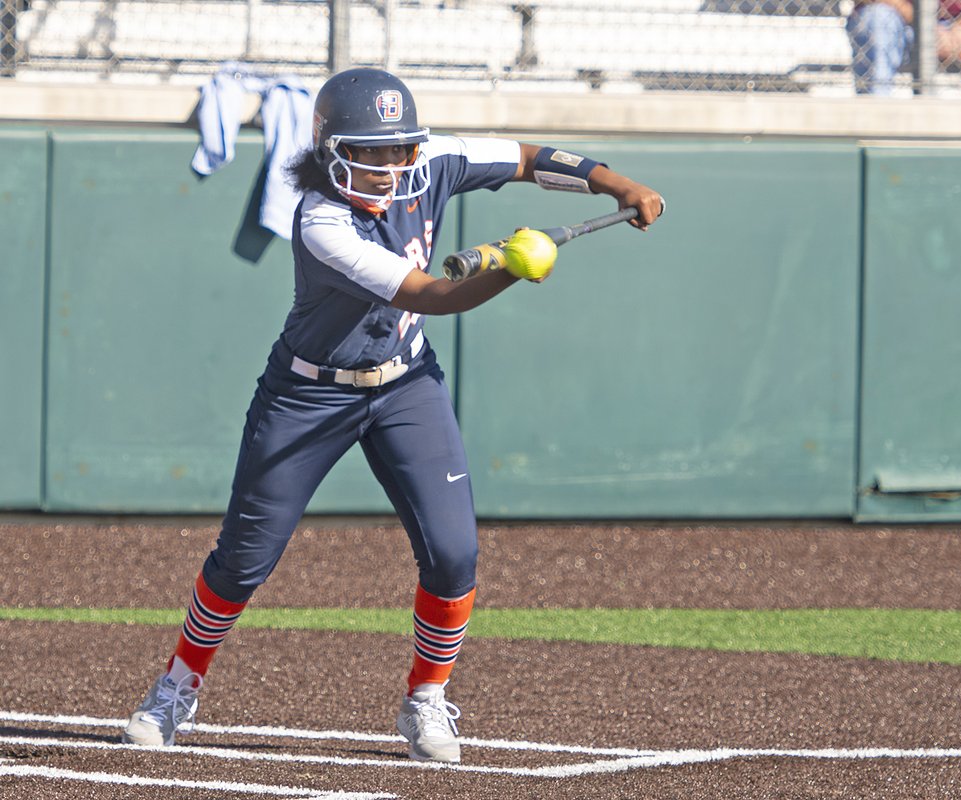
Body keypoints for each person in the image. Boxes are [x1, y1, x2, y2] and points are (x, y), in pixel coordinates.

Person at [121, 67, 664, 764]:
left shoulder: (429, 161)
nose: (385, 166)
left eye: (396, 149)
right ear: (327, 146)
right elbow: (434, 295)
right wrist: (512, 264)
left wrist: (614, 184)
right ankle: (178, 685)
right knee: (243, 559)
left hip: (405, 384)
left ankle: (426, 697)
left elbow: (528, 159)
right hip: (309, 394)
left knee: (454, 553)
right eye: (367, 151)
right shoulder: (321, 219)